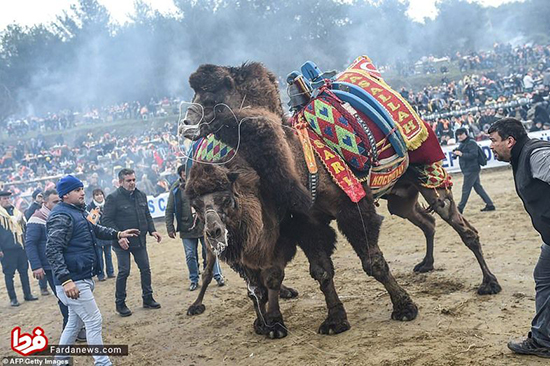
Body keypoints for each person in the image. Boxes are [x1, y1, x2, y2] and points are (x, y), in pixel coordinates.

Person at [45, 175, 139, 366]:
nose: (82, 193)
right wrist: (66, 280)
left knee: (74, 323)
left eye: (81, 189)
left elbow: (96, 230)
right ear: (65, 195)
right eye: (77, 190)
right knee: (94, 320)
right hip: (73, 280)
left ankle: (60, 361)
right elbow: (52, 250)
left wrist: (118, 233)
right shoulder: (61, 215)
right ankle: (102, 362)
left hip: (79, 277)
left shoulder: (77, 211)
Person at [488, 118, 550, 358]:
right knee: (543, 277)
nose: (491, 146)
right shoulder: (521, 157)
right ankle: (543, 339)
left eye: (494, 140)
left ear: (510, 141)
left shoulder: (537, 155)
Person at [103, 168, 162, 317]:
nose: (132, 183)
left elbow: (146, 214)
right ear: (121, 182)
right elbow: (106, 220)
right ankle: (120, 303)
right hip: (121, 242)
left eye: (134, 180)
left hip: (139, 240)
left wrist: (152, 230)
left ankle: (148, 298)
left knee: (145, 269)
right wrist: (119, 236)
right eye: (129, 180)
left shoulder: (141, 195)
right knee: (124, 271)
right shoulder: (113, 198)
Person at [166, 165, 224, 291]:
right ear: (182, 174)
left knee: (211, 252)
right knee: (190, 255)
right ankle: (194, 279)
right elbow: (169, 209)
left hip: (203, 226)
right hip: (186, 228)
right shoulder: (176, 189)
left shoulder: (201, 183)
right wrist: (170, 227)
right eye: (185, 173)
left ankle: (218, 276)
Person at [25, 189, 69, 327]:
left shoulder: (61, 214)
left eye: (59, 201)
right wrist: (36, 266)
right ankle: (69, 326)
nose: (58, 204)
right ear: (45, 202)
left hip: (64, 261)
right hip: (50, 265)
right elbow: (30, 244)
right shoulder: (36, 219)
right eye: (55, 202)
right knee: (63, 297)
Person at [0, 190, 38, 306]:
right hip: (6, 250)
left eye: (8, 198)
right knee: (9, 274)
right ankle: (13, 298)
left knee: (24, 272)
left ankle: (28, 294)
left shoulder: (16, 212)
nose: (7, 200)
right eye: (4, 198)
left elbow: (24, 228)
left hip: (20, 247)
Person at [452, 128, 495, 213]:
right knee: (478, 188)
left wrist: (461, 154)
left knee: (466, 189)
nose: (459, 136)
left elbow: (474, 155)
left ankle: (460, 208)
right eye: (458, 135)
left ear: (466, 134)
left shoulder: (471, 142)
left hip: (471, 169)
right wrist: (456, 153)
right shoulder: (462, 143)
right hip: (469, 169)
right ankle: (490, 205)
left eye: (461, 134)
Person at [87, 189, 114, 281]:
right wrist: (95, 213)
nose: (99, 196)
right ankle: (101, 274)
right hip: (97, 234)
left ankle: (110, 272)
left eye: (101, 194)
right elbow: (91, 222)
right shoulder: (90, 206)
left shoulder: (108, 204)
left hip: (106, 233)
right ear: (94, 196)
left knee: (108, 254)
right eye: (97, 195)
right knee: (99, 256)